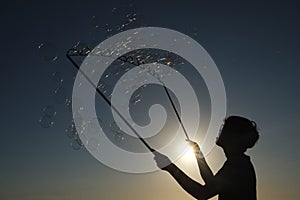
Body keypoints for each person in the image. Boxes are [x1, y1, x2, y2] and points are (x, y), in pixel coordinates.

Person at [154, 116, 259, 200]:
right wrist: (197, 153)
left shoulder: (237, 166)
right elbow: (211, 182)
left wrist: (170, 167)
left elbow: (202, 193)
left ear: (233, 137)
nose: (221, 130)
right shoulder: (239, 163)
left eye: (225, 128)